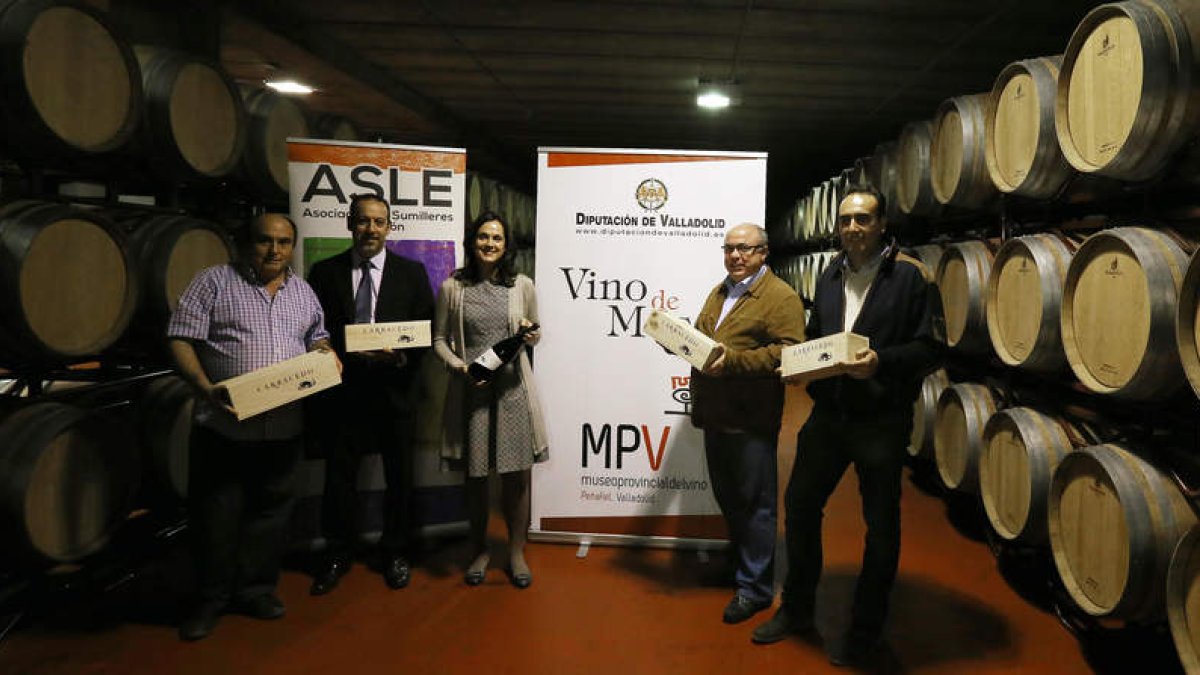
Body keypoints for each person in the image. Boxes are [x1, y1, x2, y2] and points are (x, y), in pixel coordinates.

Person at [751, 186, 945, 667]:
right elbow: (820, 338)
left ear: (882, 224)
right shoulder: (831, 272)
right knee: (799, 507)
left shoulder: (912, 276)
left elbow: (930, 348)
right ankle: (797, 610)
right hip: (831, 415)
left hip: (881, 420)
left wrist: (881, 362)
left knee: (880, 526)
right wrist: (803, 369)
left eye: (863, 219)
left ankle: (866, 629)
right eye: (846, 220)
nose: (853, 228)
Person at [167, 213, 340, 641]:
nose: (274, 250)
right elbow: (179, 337)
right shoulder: (214, 282)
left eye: (283, 243)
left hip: (283, 427)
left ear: (292, 247)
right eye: (265, 241)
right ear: (248, 242)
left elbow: (318, 336)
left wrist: (326, 354)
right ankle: (210, 600)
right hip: (225, 428)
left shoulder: (302, 292)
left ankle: (256, 590)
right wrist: (206, 388)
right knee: (215, 516)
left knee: (271, 514)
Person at [306, 194, 435, 595]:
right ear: (350, 224)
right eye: (363, 221)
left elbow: (426, 331)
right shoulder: (324, 272)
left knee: (400, 478)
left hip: (394, 393)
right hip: (343, 395)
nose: (371, 229)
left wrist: (399, 357)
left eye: (379, 222)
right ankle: (337, 552)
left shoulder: (411, 273)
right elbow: (314, 329)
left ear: (389, 228)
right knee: (339, 478)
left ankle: (396, 550)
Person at [690, 223, 807, 624]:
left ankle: (755, 589)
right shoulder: (721, 290)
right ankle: (740, 565)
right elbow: (706, 335)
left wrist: (735, 361)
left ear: (764, 253)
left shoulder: (780, 297)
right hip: (716, 413)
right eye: (730, 249)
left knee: (757, 504)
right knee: (730, 497)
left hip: (751, 417)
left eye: (745, 249)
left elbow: (790, 352)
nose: (736, 256)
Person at [432, 210, 548, 589]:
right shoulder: (454, 287)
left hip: (513, 392)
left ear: (506, 245)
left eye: (497, 238)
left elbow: (535, 331)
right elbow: (439, 340)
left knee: (516, 478)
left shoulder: (522, 286)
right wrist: (460, 367)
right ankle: (480, 549)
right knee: (476, 478)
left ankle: (516, 551)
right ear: (472, 241)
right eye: (483, 236)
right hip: (473, 393)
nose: (490, 244)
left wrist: (531, 336)